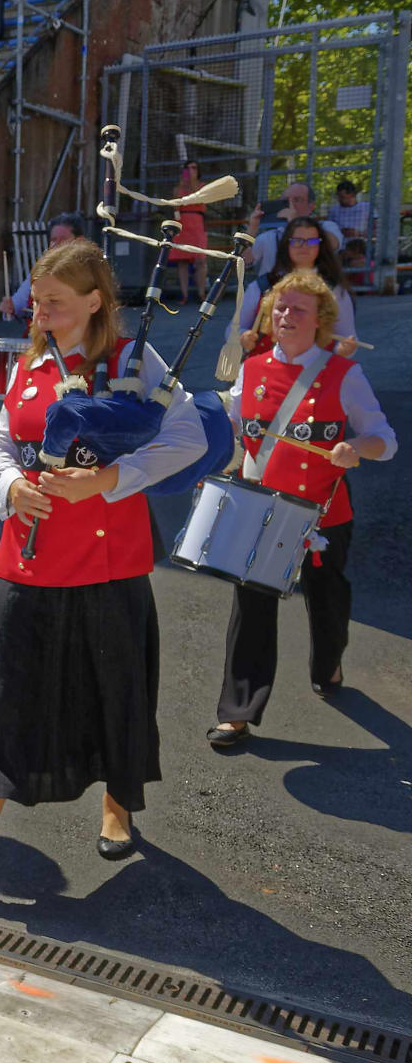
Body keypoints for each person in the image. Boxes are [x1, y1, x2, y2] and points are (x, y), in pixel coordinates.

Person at [0, 239, 206, 891]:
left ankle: (116, 810)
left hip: (109, 565)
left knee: (116, 692)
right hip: (26, 559)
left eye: (55, 302)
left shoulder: (134, 359)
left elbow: (188, 436)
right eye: (37, 301)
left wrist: (112, 477)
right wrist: (10, 486)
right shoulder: (30, 362)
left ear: (94, 301)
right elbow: (1, 443)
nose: (40, 312)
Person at [207, 270, 396, 749]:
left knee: (326, 596)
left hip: (323, 514)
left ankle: (328, 660)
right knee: (251, 604)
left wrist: (357, 447)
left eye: (299, 310)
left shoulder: (343, 374)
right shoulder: (250, 369)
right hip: (261, 508)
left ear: (321, 321)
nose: (287, 316)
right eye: (281, 308)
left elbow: (385, 440)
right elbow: (230, 431)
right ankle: (237, 711)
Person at [237, 216, 360, 358]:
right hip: (266, 373)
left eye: (312, 241)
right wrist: (242, 337)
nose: (304, 246)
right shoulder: (263, 286)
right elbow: (234, 329)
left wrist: (343, 351)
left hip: (316, 374)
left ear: (320, 246)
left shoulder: (334, 290)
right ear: (286, 245)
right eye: (297, 241)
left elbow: (348, 336)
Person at [245, 181, 342, 277]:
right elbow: (244, 260)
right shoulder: (269, 237)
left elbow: (332, 244)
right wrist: (252, 228)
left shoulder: (326, 226)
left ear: (311, 206)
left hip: (313, 288)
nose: (291, 205)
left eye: (297, 200)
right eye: (286, 201)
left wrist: (296, 221)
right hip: (275, 290)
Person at [0, 213, 85, 320]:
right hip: (39, 335)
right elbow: (18, 304)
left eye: (63, 239)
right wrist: (10, 306)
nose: (56, 245)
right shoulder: (41, 270)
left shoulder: (91, 272)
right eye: (53, 240)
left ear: (80, 241)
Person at [170, 161, 211, 304]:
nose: (190, 170)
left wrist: (192, 182)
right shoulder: (178, 188)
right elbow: (175, 207)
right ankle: (184, 295)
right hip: (183, 224)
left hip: (197, 223)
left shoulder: (202, 186)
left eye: (194, 167)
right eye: (187, 168)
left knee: (201, 259)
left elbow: (200, 199)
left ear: (198, 170)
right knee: (182, 261)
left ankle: (202, 294)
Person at [327, 179, 373, 272]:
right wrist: (340, 232)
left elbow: (377, 230)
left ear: (352, 195)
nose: (341, 200)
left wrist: (358, 233)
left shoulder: (367, 207)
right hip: (341, 251)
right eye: (339, 197)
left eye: (343, 197)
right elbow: (328, 231)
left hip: (360, 249)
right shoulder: (334, 210)